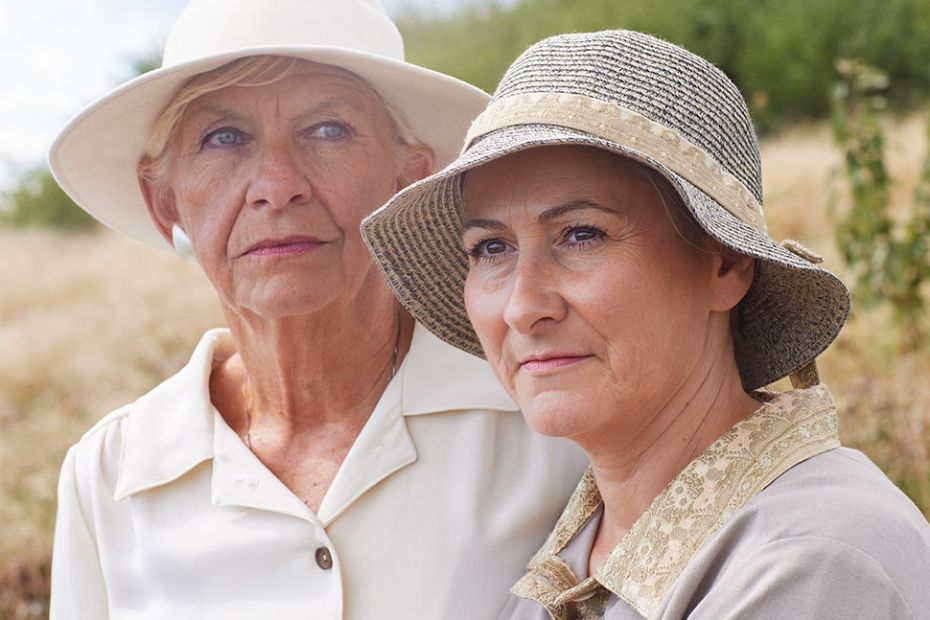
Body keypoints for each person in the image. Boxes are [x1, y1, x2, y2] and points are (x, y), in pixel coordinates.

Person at [361, 30, 930, 619]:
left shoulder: (814, 561)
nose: (522, 306)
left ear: (725, 264)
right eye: (490, 248)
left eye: (581, 234)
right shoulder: (569, 563)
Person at [47, 1, 586, 618]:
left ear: (408, 181)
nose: (278, 185)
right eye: (224, 138)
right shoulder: (110, 474)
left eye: (328, 129)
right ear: (164, 200)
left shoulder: (544, 416)